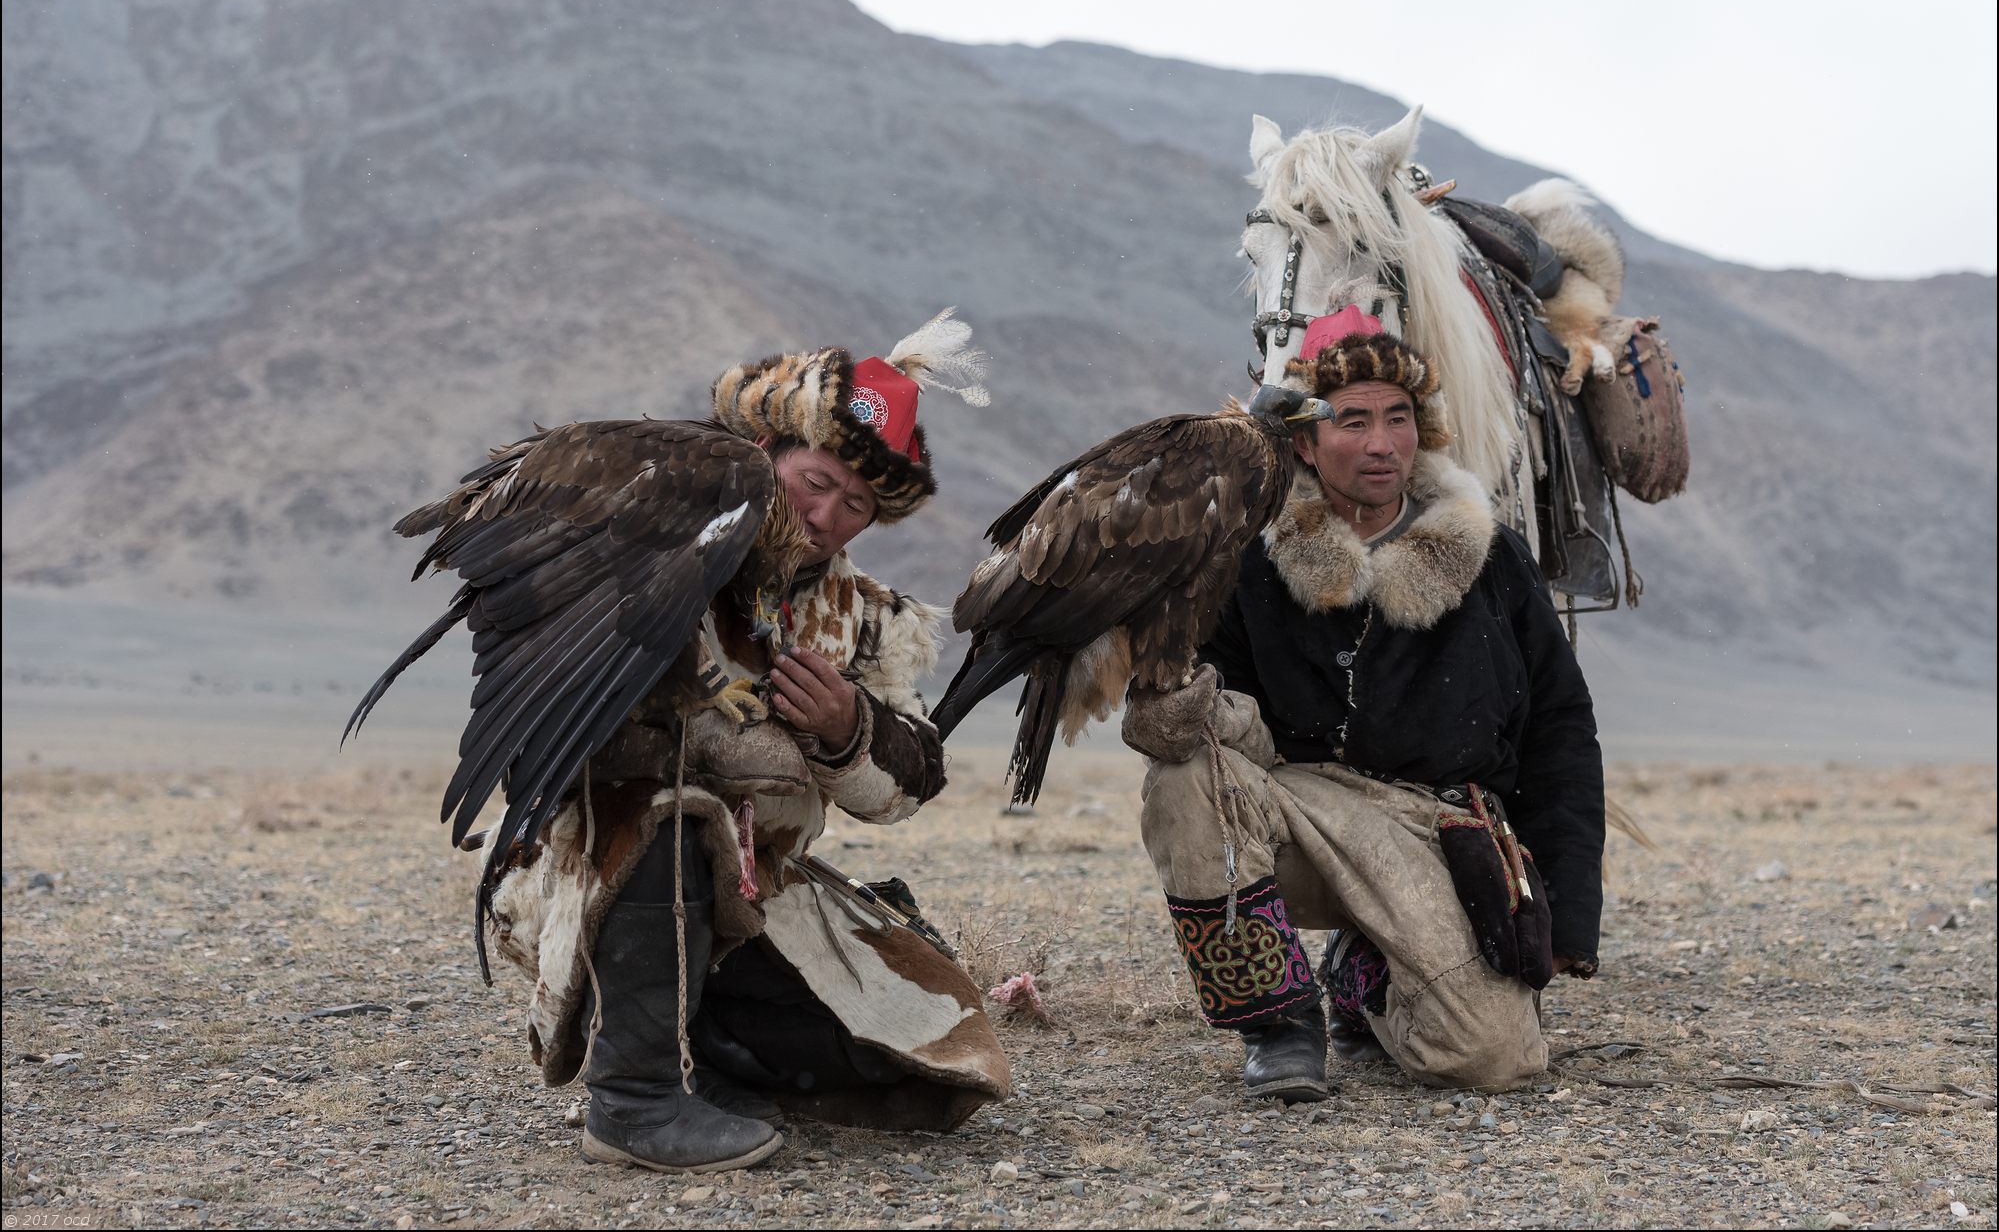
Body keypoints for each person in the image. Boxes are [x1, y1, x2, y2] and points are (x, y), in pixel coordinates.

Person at [480, 317, 1009, 1172]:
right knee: (675, 814)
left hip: (756, 899)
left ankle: (696, 1061)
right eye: (813, 481)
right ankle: (635, 1098)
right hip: (599, 869)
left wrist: (848, 729)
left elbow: (910, 787)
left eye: (856, 504)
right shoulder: (650, 548)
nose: (825, 515)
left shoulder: (864, 617)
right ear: (765, 454)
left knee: (919, 1052)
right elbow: (560, 713)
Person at [1121, 315, 1605, 1101]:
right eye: (1352, 420)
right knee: (1184, 779)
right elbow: (1207, 695)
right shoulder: (1244, 557)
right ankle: (1276, 1022)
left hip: (1439, 829)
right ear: (1305, 443)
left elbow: (1560, 730)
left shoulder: (1494, 558)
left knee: (1490, 1061)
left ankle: (1360, 977)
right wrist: (1173, 707)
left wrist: (1566, 912)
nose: (1382, 443)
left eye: (1398, 418)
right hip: (1297, 815)